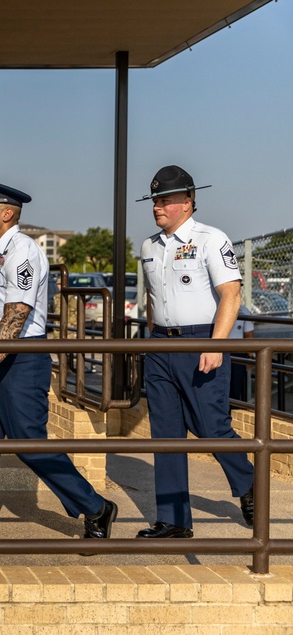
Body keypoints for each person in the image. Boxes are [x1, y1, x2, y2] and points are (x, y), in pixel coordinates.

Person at [0, 178, 117, 542]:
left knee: (29, 444)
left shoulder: (22, 252)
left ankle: (96, 506)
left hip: (19, 361)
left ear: (6, 213)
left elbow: (16, 317)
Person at [137, 164, 254, 539]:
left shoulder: (211, 239)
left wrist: (216, 345)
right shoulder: (148, 246)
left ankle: (251, 484)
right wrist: (153, 339)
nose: (157, 207)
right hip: (160, 344)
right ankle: (173, 520)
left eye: (165, 200)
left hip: (202, 339)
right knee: (165, 434)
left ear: (187, 202)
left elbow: (231, 294)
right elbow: (154, 299)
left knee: (211, 426)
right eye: (155, 200)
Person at [229, 300, 255, 402]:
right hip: (219, 350)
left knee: (236, 387)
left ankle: (233, 413)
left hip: (238, 352)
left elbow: (249, 335)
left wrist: (250, 357)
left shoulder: (244, 311)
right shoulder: (214, 308)